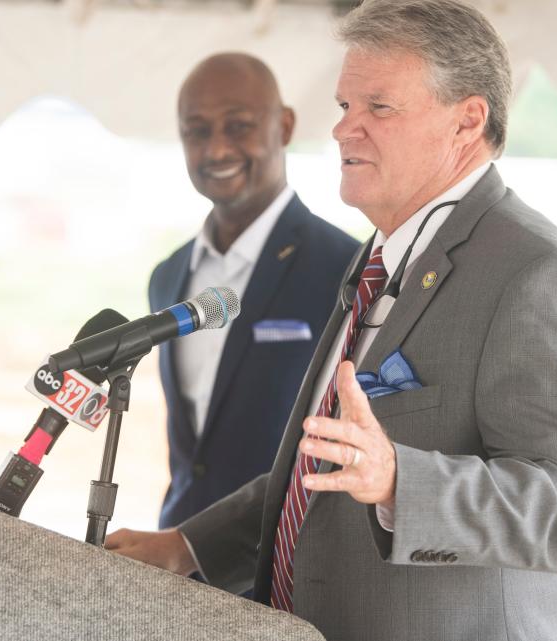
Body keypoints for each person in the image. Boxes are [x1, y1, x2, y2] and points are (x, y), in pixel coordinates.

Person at [108, 1, 557, 640]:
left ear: (467, 120)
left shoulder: (538, 274)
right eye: (345, 107)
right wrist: (187, 546)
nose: (344, 130)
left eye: (378, 108)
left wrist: (402, 480)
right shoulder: (378, 257)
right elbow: (328, 466)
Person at [148, 53, 359, 529]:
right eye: (197, 131)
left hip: (285, 561)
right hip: (176, 555)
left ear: (284, 126)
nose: (217, 150)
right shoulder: (167, 275)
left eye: (238, 126)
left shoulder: (346, 269)